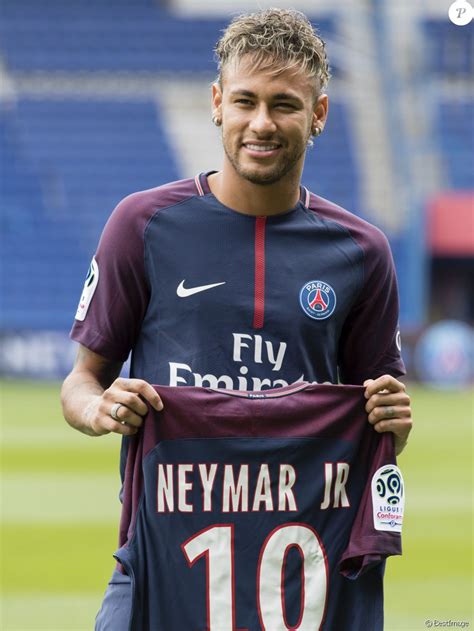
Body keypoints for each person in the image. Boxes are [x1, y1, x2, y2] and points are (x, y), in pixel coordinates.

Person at [61, 8, 412, 630]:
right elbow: (82, 381)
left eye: (285, 104)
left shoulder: (362, 252)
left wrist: (393, 424)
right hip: (159, 551)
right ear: (217, 103)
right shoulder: (141, 225)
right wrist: (100, 409)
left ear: (319, 114)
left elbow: (372, 428)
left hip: (301, 569)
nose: (262, 123)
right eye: (246, 100)